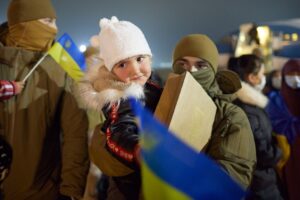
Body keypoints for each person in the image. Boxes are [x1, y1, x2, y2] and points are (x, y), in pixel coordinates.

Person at [0, 0, 89, 199]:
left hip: (43, 191)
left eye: (56, 22)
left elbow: (75, 135)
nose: (55, 30)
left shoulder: (61, 69)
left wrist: (71, 191)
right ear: (24, 23)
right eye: (48, 21)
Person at [76, 16, 162, 200]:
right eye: (122, 64)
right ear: (111, 71)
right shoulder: (119, 96)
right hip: (127, 186)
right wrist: (136, 149)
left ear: (149, 57)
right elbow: (117, 132)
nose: (135, 70)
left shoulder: (152, 87)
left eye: (140, 59)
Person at [171, 34, 256, 189]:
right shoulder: (160, 102)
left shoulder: (231, 116)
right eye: (183, 64)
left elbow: (236, 174)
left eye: (201, 65)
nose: (191, 71)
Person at [232, 54, 283, 199]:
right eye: (262, 73)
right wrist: (280, 152)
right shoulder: (248, 111)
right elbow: (262, 153)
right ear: (252, 78)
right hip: (260, 185)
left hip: (261, 181)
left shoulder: (251, 103)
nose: (264, 77)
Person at [266, 59, 300, 200]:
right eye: (291, 74)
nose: (296, 78)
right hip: (286, 157)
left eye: (298, 73)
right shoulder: (275, 100)